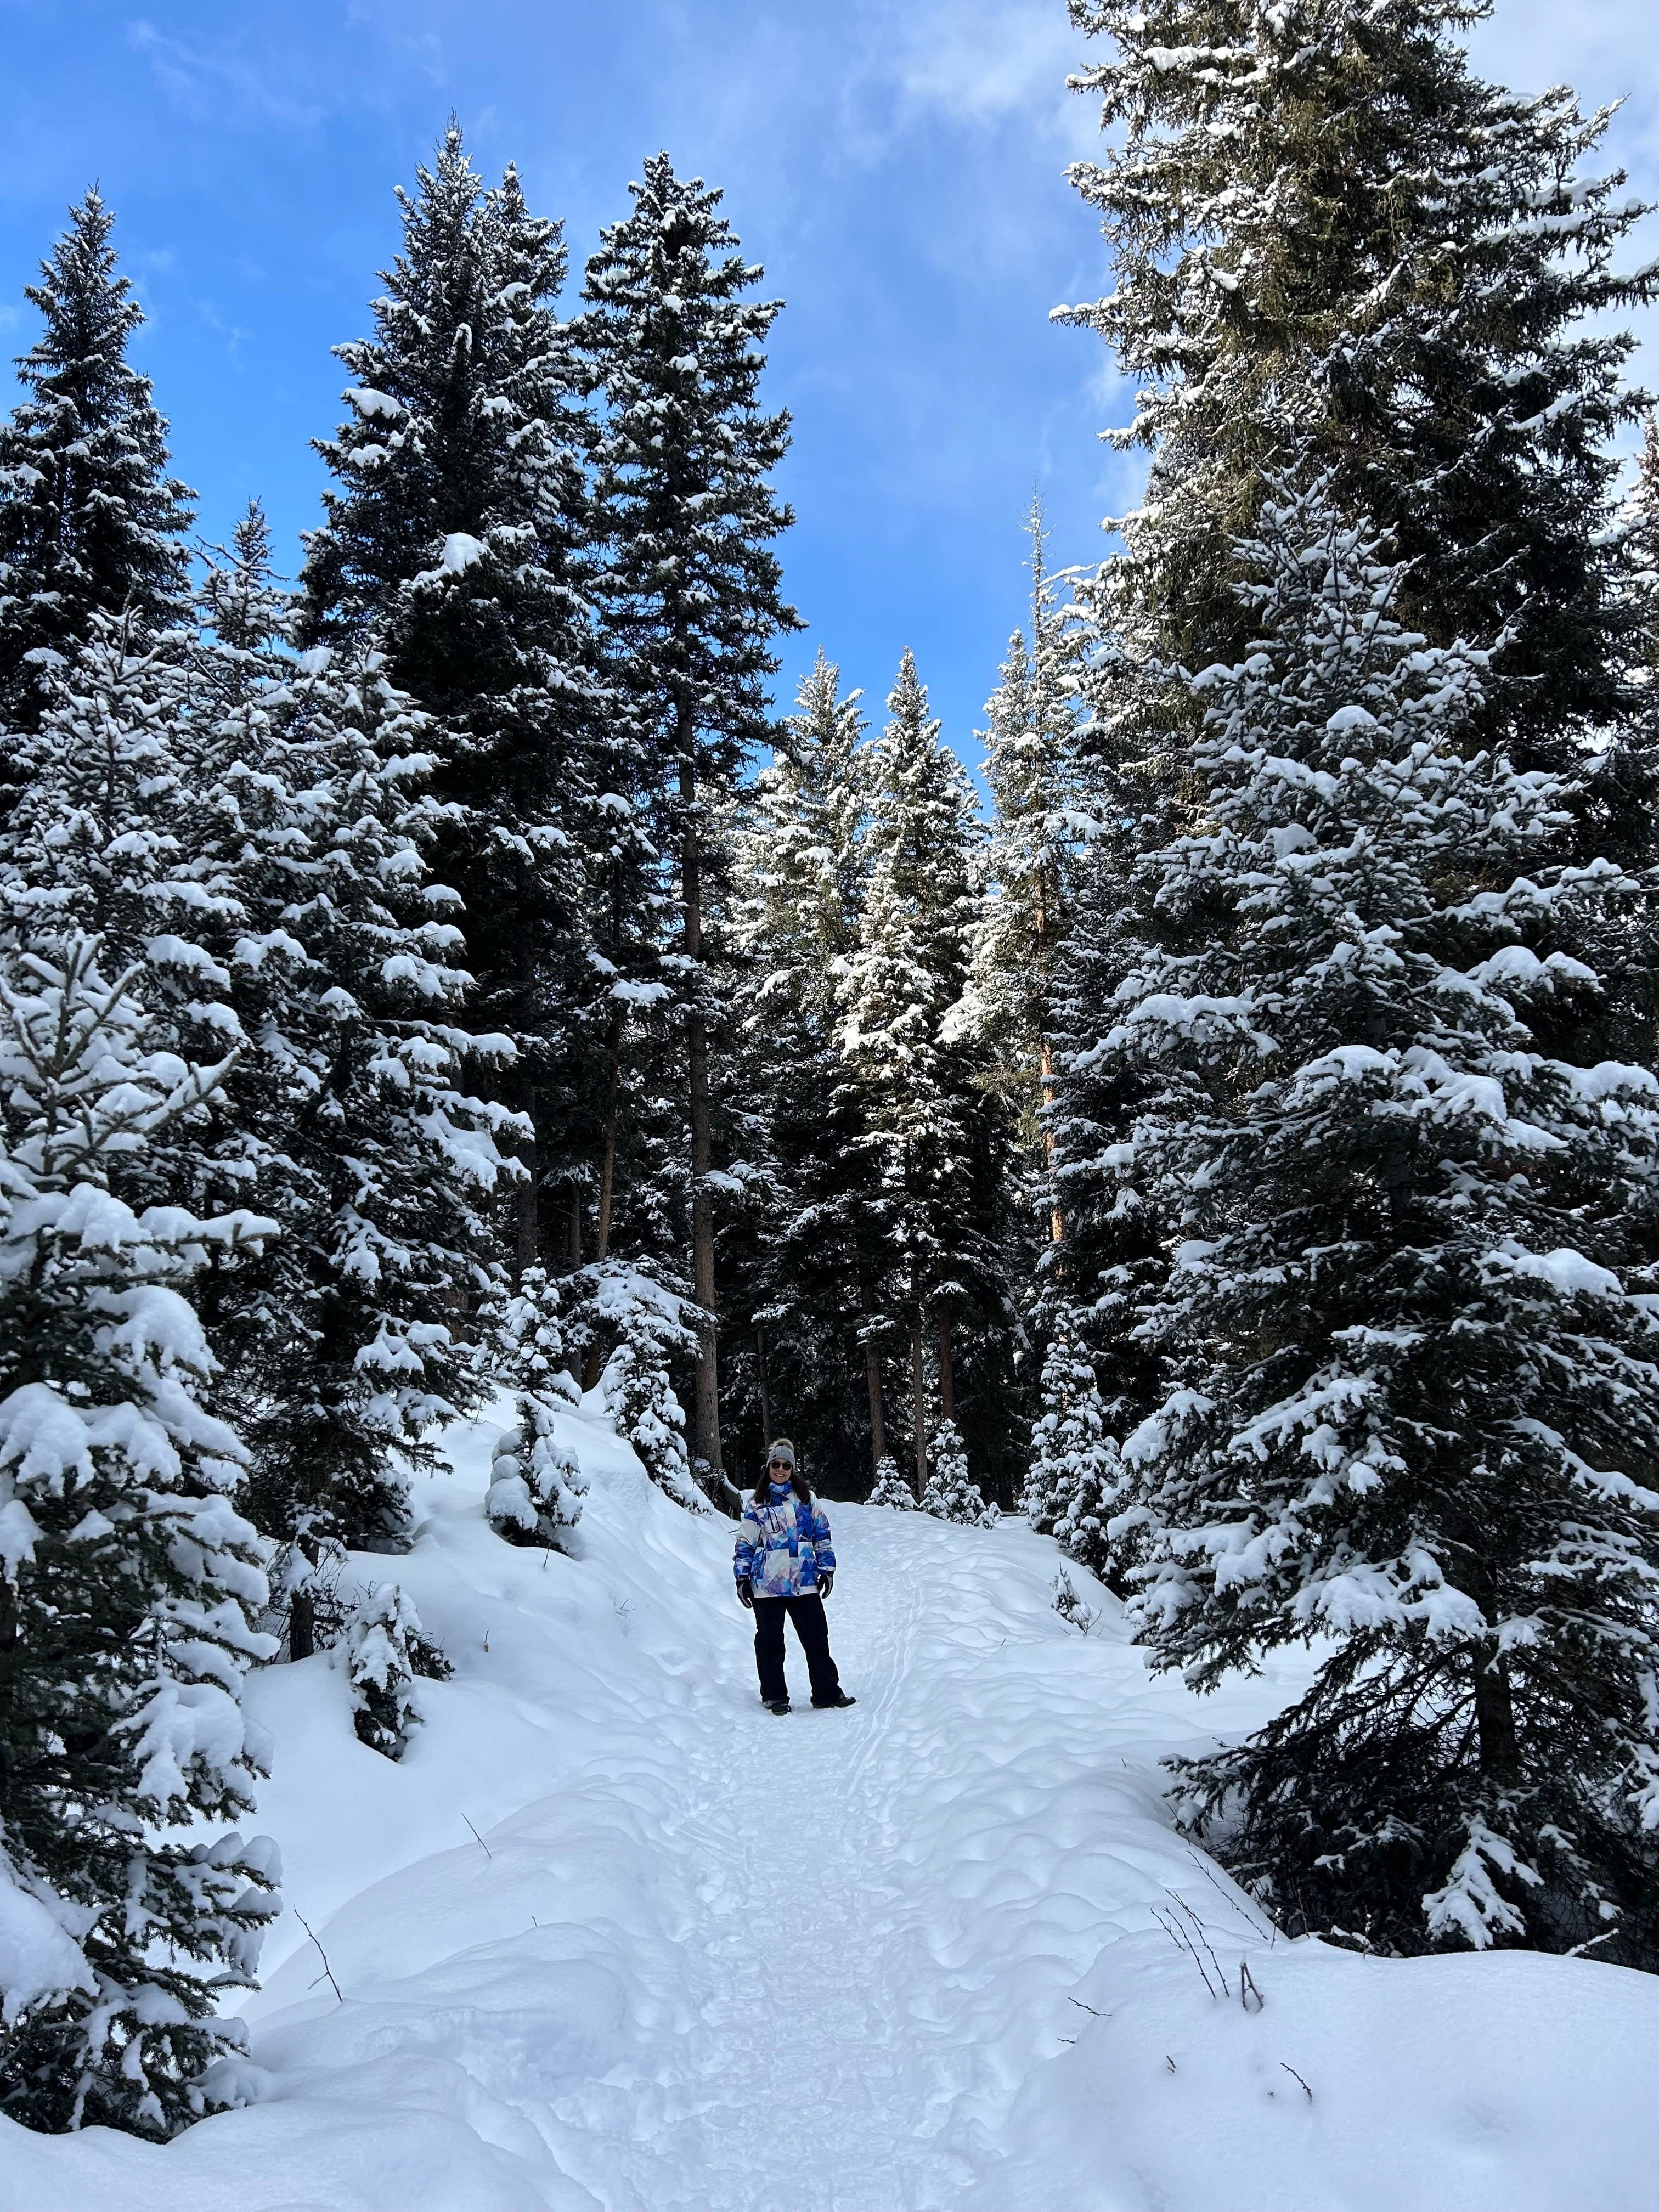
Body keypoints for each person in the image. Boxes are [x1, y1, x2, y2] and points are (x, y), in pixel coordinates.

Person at [733, 1440, 856, 1716]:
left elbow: (822, 1535)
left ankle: (826, 1692)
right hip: (767, 1585)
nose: (780, 1469)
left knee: (817, 1637)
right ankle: (775, 1695)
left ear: (793, 1469)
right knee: (770, 1642)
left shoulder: (807, 1499)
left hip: (805, 1582)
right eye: (776, 1464)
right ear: (769, 1467)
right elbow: (745, 1542)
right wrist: (742, 1577)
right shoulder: (757, 1504)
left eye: (786, 1465)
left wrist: (827, 1569)